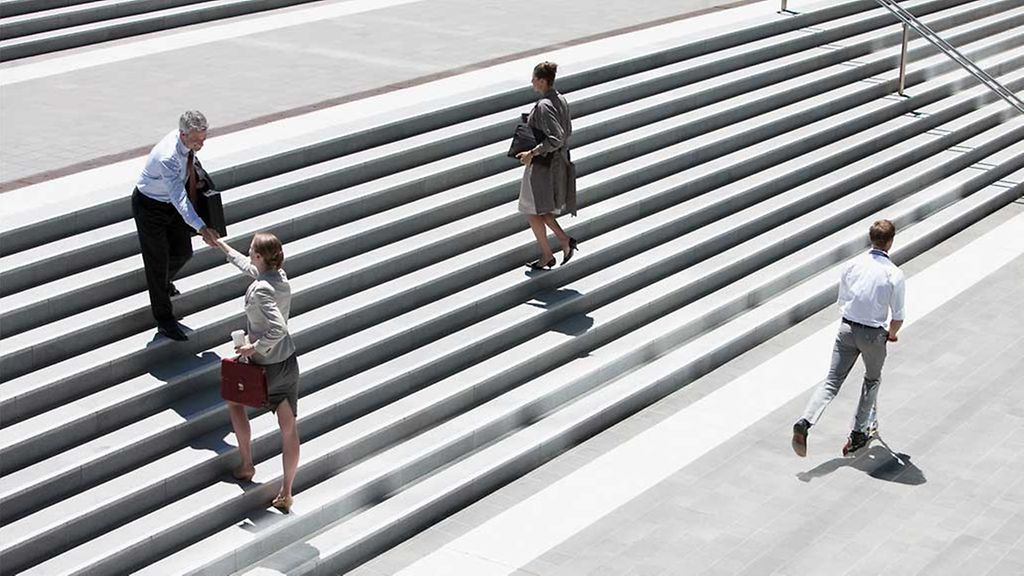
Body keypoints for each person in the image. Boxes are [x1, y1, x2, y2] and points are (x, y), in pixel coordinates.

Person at [792, 219, 905, 458]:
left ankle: (805, 421)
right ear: (891, 241)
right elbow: (898, 316)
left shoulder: (852, 264)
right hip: (874, 334)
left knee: (832, 381)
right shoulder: (894, 273)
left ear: (871, 238)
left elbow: (842, 300)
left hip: (846, 329)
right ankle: (858, 433)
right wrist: (892, 335)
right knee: (871, 381)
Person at [215, 232, 300, 513]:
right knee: (288, 428)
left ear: (261, 256)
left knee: (234, 401)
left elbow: (278, 328)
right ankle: (286, 492)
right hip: (288, 363)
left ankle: (247, 464)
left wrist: (253, 347)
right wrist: (221, 246)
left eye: (251, 249)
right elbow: (249, 268)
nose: (248, 252)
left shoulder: (262, 289)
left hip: (266, 365)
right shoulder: (279, 277)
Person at [132, 110, 221, 341]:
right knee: (157, 262)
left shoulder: (186, 145)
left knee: (183, 253)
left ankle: (161, 283)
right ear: (182, 135)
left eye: (203, 138)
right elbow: (179, 199)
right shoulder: (168, 156)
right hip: (150, 207)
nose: (200, 144)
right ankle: (164, 320)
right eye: (196, 140)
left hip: (169, 205)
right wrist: (202, 227)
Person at [517, 61, 578, 270]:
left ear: (542, 81)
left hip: (543, 166)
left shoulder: (544, 105)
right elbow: (567, 132)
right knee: (538, 209)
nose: (532, 82)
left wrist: (532, 153)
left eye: (534, 78)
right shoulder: (561, 99)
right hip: (556, 163)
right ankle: (558, 245)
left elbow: (556, 138)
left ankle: (553, 248)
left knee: (530, 208)